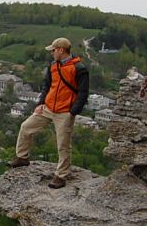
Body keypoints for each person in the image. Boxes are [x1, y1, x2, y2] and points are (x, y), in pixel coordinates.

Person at [9, 37, 89, 188]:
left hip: (65, 112)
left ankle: (61, 176)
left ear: (60, 50)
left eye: (53, 50)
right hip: (48, 108)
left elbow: (83, 93)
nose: (51, 53)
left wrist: (73, 112)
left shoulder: (79, 69)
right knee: (26, 127)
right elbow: (47, 86)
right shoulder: (53, 66)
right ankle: (22, 157)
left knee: (63, 145)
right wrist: (40, 104)